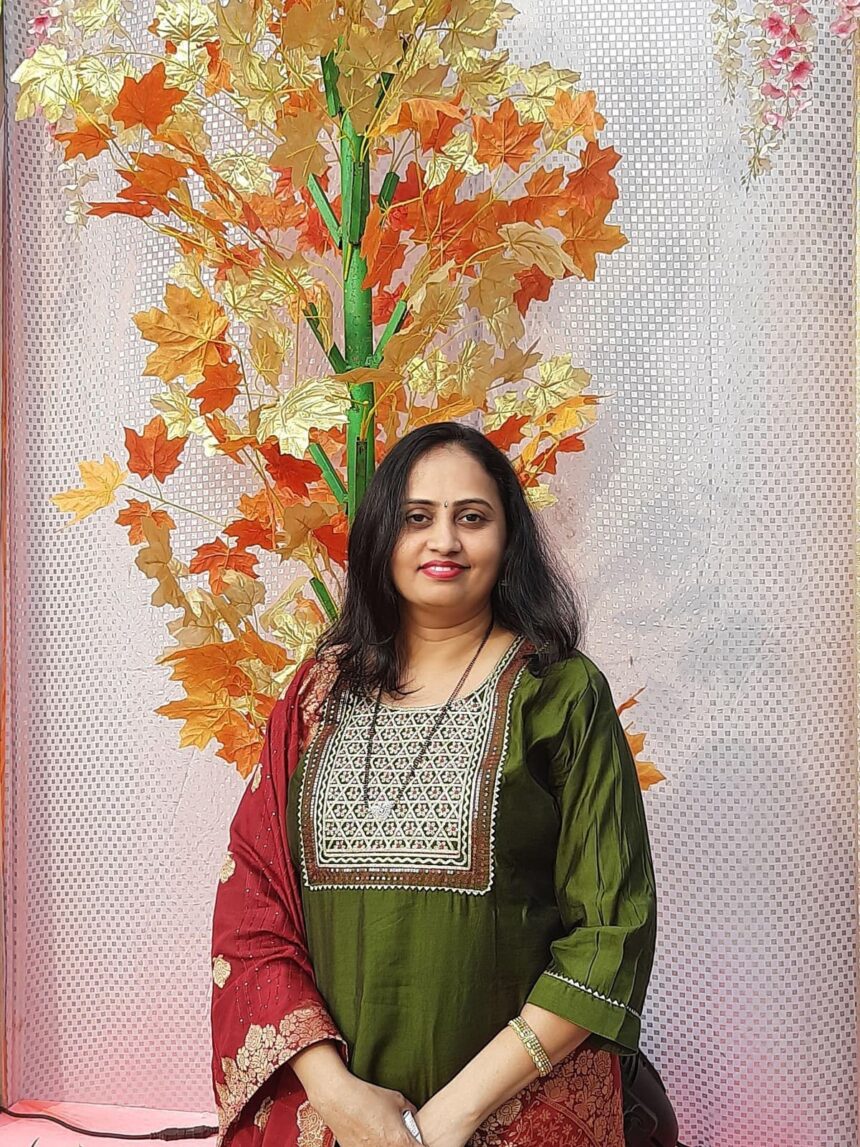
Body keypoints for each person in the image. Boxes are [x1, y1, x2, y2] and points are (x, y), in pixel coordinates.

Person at [210, 421, 658, 1147]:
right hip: (338, 1123)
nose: (443, 540)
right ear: (381, 536)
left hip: (516, 1119)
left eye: (471, 518)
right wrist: (338, 1096)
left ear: (508, 540)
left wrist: (453, 1116)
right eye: (417, 517)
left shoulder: (561, 693)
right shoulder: (317, 695)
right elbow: (254, 906)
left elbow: (611, 931)